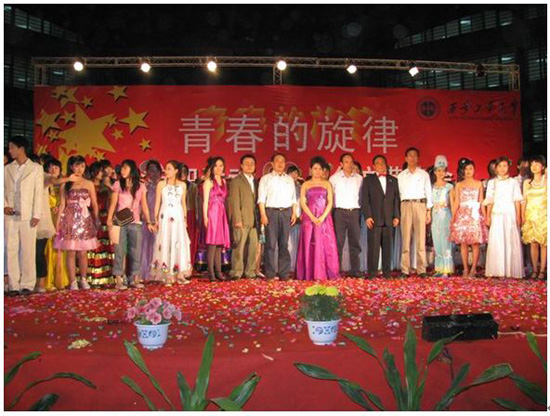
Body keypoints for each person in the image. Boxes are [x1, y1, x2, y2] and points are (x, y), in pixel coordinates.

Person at [4, 136, 44, 296]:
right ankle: (13, 284)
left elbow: (38, 192)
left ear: (21, 149)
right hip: (10, 215)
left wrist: (36, 214)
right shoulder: (6, 168)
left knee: (27, 250)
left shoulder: (36, 168)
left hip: (28, 215)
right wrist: (4, 206)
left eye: (12, 147)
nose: (10, 151)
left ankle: (27, 283)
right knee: (11, 249)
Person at [107, 159, 154, 289]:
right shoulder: (118, 184)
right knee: (119, 250)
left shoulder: (140, 186)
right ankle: (118, 280)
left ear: (132, 170)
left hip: (135, 222)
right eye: (122, 168)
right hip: (120, 222)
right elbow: (113, 203)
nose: (122, 171)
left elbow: (144, 206)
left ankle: (135, 279)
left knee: (136, 251)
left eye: (125, 168)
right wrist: (109, 219)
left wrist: (148, 221)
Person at [54, 155, 99, 290]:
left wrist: (96, 218)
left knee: (83, 252)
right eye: (77, 166)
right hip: (69, 220)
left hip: (84, 219)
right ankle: (73, 281)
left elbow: (94, 204)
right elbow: (62, 204)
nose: (80, 169)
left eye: (82, 166)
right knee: (71, 252)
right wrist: (57, 223)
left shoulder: (89, 183)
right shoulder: (65, 184)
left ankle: (83, 279)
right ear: (71, 167)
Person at [296, 156, 340, 281]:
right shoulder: (306, 184)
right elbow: (303, 202)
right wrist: (312, 217)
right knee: (309, 243)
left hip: (324, 218)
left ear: (323, 171)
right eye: (315, 168)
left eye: (320, 169)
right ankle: (309, 272)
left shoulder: (327, 184)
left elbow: (330, 202)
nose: (317, 171)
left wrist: (322, 217)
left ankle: (324, 272)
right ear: (310, 170)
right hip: (309, 218)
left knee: (325, 244)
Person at [151, 160, 192, 284]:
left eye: (169, 169)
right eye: (166, 168)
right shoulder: (161, 184)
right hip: (165, 217)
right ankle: (166, 275)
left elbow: (183, 203)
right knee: (165, 243)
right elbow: (157, 203)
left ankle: (179, 274)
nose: (166, 171)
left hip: (178, 218)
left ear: (176, 171)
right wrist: (155, 219)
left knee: (178, 243)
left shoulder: (182, 185)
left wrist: (185, 219)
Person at [258, 153, 298, 280]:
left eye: (282, 161)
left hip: (286, 213)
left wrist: (294, 213)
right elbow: (261, 199)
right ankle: (270, 274)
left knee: (284, 245)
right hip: (271, 213)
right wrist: (263, 215)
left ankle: (284, 274)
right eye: (277, 161)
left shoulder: (289, 179)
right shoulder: (266, 179)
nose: (280, 164)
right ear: (272, 164)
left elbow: (293, 199)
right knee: (270, 245)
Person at [361, 154, 400, 278]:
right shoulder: (368, 180)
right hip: (374, 219)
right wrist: (368, 216)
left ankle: (387, 273)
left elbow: (396, 200)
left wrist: (396, 216)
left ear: (386, 165)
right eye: (378, 163)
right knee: (373, 248)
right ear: (374, 166)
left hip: (389, 219)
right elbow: (364, 199)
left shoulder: (393, 180)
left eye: (383, 162)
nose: (381, 165)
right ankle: (372, 273)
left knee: (388, 248)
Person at [484, 156, 524, 278]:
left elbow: (517, 200)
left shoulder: (513, 182)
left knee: (510, 241)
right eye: (500, 166)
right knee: (497, 241)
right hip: (497, 214)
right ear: (496, 168)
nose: (502, 168)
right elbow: (490, 200)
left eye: (505, 166)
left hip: (510, 214)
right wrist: (488, 216)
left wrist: (518, 216)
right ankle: (497, 270)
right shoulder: (492, 182)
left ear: (508, 167)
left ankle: (510, 270)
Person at [397, 147, 433, 277]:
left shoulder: (424, 174)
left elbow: (428, 192)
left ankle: (421, 269)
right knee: (406, 240)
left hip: (420, 205)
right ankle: (405, 270)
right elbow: (397, 195)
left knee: (420, 240)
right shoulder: (401, 176)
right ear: (406, 158)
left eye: (414, 156)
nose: (412, 158)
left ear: (418, 158)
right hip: (405, 205)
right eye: (410, 156)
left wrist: (428, 211)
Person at [450, 158, 488, 278]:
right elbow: (457, 202)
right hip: (462, 215)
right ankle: (465, 269)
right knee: (464, 243)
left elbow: (481, 201)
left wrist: (485, 216)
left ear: (474, 170)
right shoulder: (459, 185)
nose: (468, 171)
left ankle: (473, 269)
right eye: (466, 169)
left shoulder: (479, 184)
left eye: (470, 168)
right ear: (463, 171)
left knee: (475, 243)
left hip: (475, 215)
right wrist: (453, 216)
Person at [329, 153, 363, 278]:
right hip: (339, 213)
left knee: (355, 243)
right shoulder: (334, 178)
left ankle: (355, 270)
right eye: (346, 162)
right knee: (338, 243)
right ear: (341, 164)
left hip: (354, 212)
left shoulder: (359, 178)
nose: (349, 164)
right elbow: (330, 197)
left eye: (351, 162)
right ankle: (336, 270)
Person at [228, 154, 260, 280]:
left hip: (254, 220)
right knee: (239, 248)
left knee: (253, 247)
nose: (249, 166)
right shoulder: (236, 181)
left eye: (252, 163)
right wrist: (237, 219)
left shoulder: (256, 181)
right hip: (241, 219)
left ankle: (250, 271)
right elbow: (234, 201)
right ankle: (236, 271)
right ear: (241, 166)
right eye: (246, 163)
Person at [86, 161, 114, 286]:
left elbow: (110, 204)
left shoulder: (106, 188)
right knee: (92, 246)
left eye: (103, 171)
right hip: (90, 218)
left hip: (104, 219)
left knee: (104, 246)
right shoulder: (87, 186)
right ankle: (91, 276)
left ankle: (104, 276)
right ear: (93, 172)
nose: (102, 173)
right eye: (100, 171)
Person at [203, 157, 231, 281]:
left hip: (221, 212)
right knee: (212, 244)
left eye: (221, 165)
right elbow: (205, 201)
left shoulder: (224, 181)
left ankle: (219, 272)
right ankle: (211, 273)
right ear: (212, 167)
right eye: (216, 166)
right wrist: (205, 216)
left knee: (219, 244)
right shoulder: (208, 182)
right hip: (213, 212)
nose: (219, 168)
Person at [43, 159, 70, 290]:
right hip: (45, 217)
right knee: (47, 248)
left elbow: (65, 203)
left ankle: (60, 280)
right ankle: (47, 280)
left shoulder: (63, 185)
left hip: (59, 218)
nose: (54, 170)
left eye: (56, 168)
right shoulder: (44, 183)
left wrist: (59, 208)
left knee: (59, 249)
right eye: (51, 167)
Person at [521, 155, 547, 279]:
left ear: (543, 166)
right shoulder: (527, 182)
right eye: (532, 164)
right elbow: (524, 200)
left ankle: (542, 270)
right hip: (530, 216)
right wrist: (522, 216)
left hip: (543, 216)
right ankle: (534, 269)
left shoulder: (546, 180)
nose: (534, 166)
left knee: (544, 243)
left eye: (537, 164)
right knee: (533, 243)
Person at [429, 156, 454, 277]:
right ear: (434, 172)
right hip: (435, 216)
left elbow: (453, 203)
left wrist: (453, 218)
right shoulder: (431, 186)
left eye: (443, 171)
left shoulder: (449, 186)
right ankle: (439, 268)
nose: (440, 173)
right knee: (437, 241)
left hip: (445, 216)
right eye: (438, 170)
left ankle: (446, 269)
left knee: (445, 241)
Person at [141, 159, 162, 281]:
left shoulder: (163, 186)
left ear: (160, 172)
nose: (153, 173)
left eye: (156, 170)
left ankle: (158, 273)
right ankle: (145, 273)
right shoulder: (144, 186)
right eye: (151, 170)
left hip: (160, 221)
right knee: (145, 246)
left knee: (158, 246)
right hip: (146, 220)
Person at [180, 163, 198, 272]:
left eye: (185, 172)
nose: (183, 174)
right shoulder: (174, 186)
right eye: (181, 172)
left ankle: (189, 265)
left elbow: (197, 203)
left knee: (190, 241)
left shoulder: (193, 187)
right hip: (178, 215)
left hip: (191, 215)